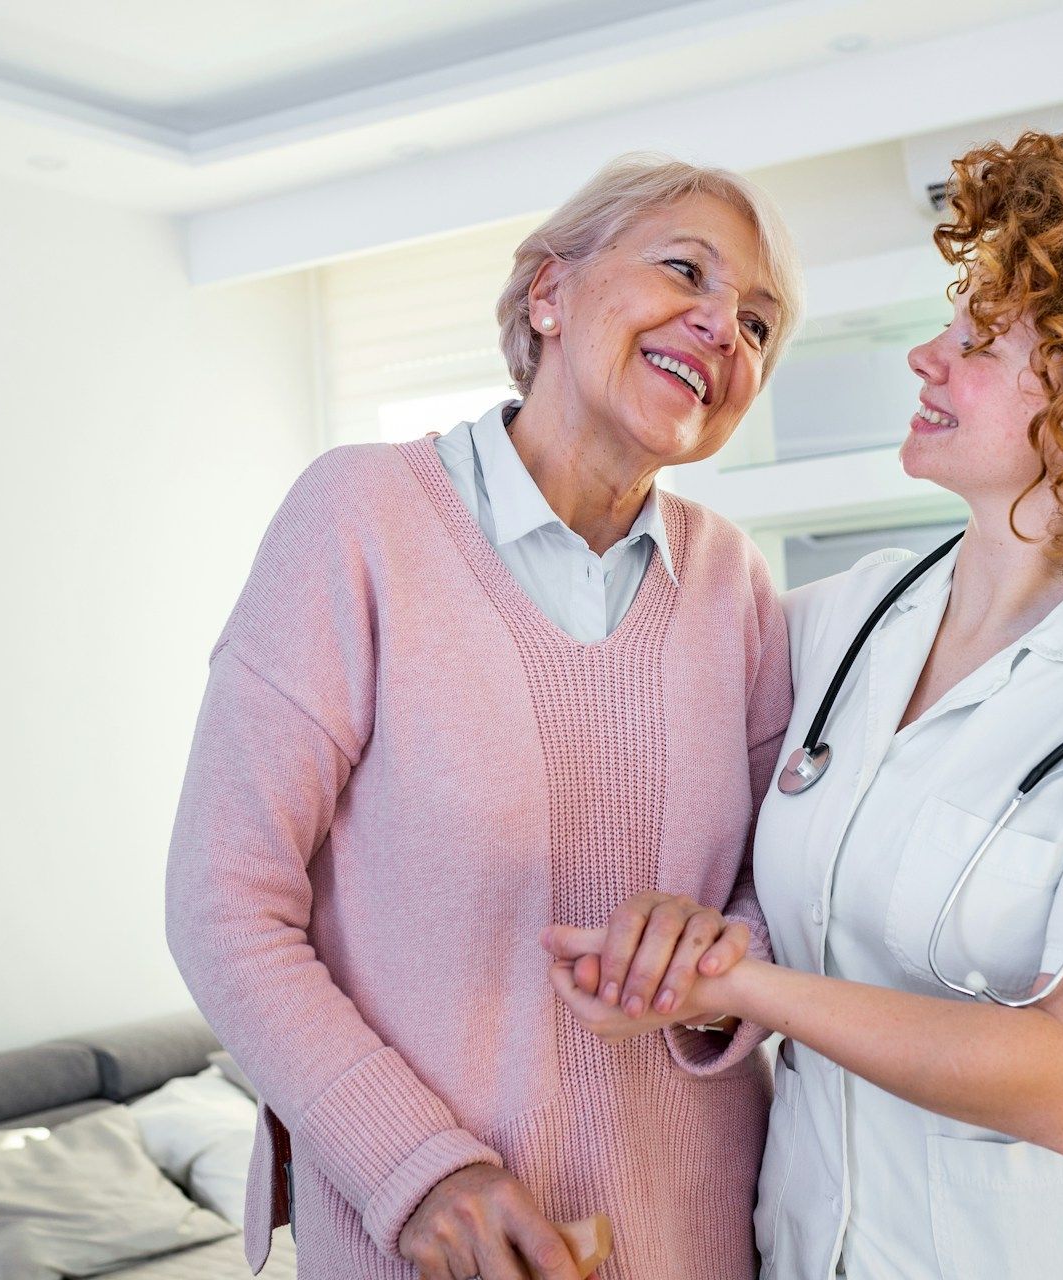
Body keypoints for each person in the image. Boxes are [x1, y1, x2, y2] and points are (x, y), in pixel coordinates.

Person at [546, 131, 1063, 1278]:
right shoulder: (840, 621)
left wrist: (747, 984)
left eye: (979, 340)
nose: (925, 357)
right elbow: (595, 670)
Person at [165, 154, 803, 1280]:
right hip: (428, 1245)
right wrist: (417, 1168)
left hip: (704, 1235)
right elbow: (224, 902)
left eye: (757, 323)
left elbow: (773, 889)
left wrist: (722, 952)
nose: (723, 327)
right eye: (684, 270)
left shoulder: (736, 586)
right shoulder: (358, 518)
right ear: (548, 295)